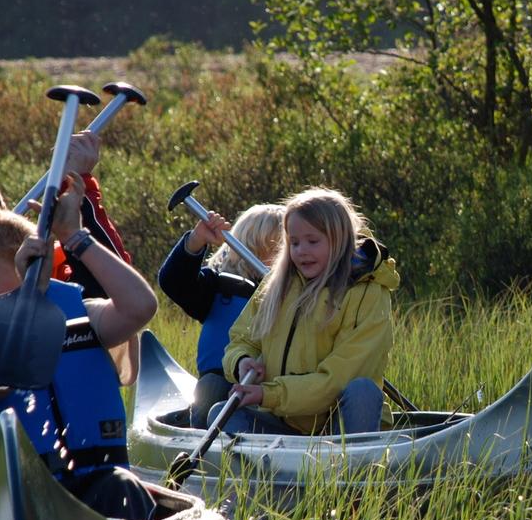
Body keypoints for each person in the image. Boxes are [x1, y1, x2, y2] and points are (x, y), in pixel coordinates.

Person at [0, 173, 158, 520]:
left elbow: (141, 307)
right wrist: (18, 307)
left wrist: (75, 238)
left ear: (25, 273)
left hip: (87, 482)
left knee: (123, 489)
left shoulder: (80, 314)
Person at [209, 187, 398, 436]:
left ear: (340, 240)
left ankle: (353, 470)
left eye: (313, 241)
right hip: (282, 423)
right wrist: (242, 361)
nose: (301, 251)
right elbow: (242, 340)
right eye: (294, 242)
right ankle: (274, 470)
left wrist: (270, 394)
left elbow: (338, 379)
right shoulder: (277, 285)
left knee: (363, 390)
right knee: (220, 415)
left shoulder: (369, 294)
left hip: (339, 427)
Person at [158, 203, 284, 427]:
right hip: (220, 387)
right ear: (250, 246)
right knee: (212, 387)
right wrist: (196, 240)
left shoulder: (296, 295)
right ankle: (196, 431)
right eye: (276, 248)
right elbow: (173, 282)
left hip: (271, 391)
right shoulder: (217, 287)